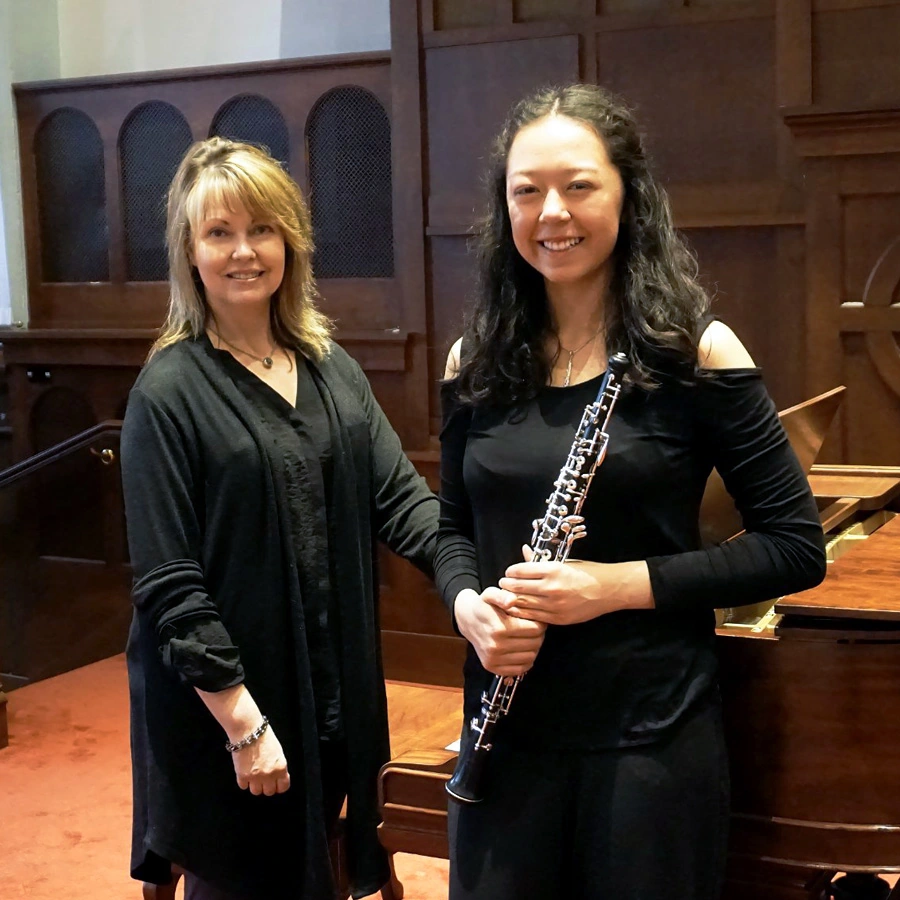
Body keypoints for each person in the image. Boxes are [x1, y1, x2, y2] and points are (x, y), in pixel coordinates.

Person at [434, 84, 827, 900]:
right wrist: (469, 606)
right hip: (507, 731)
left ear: (628, 195)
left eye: (579, 185)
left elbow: (793, 546)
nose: (552, 213)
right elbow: (451, 529)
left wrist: (616, 586)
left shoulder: (697, 351)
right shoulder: (475, 359)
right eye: (526, 190)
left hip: (648, 738)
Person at [120, 137, 438, 900]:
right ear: (189, 252)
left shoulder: (332, 367)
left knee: (327, 855)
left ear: (290, 240)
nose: (244, 252)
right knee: (248, 878)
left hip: (327, 679)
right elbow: (171, 585)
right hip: (224, 705)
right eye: (219, 233)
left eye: (261, 229)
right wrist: (243, 725)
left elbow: (399, 499)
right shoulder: (167, 393)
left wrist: (473, 579)